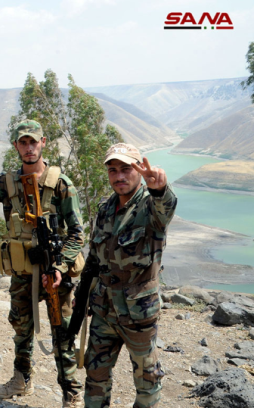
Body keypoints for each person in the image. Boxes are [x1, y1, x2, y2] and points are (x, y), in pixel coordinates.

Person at [0, 119, 85, 407]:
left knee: (61, 332)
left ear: (43, 142)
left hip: (54, 273)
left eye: (33, 142)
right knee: (21, 328)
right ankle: (21, 380)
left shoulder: (61, 184)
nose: (28, 148)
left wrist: (59, 267)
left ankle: (72, 394)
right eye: (22, 142)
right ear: (16, 146)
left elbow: (78, 234)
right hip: (23, 272)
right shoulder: (6, 181)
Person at [76, 143, 176, 408]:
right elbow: (96, 258)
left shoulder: (150, 206)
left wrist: (160, 189)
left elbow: (166, 206)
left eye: (126, 169)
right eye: (112, 170)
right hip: (103, 310)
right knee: (95, 375)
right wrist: (83, 295)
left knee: (147, 380)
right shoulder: (105, 208)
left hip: (138, 315)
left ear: (138, 171)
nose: (119, 176)